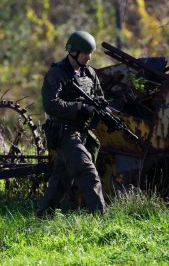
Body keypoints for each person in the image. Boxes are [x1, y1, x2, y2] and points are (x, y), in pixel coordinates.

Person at [37, 30, 106, 217]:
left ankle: (44, 214)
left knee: (61, 179)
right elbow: (50, 104)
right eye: (85, 53)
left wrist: (99, 106)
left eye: (90, 53)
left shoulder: (89, 73)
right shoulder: (57, 73)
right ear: (72, 52)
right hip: (64, 133)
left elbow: (98, 96)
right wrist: (79, 107)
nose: (89, 57)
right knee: (88, 173)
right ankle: (101, 218)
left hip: (82, 132)